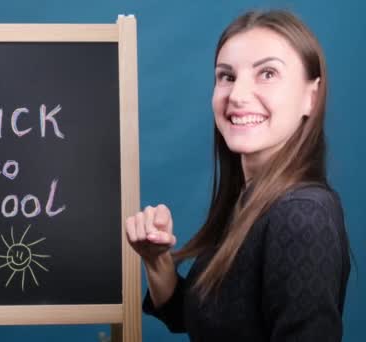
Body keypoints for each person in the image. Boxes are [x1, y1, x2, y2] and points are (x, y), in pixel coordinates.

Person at [125, 10, 351, 341]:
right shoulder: (251, 204)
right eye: (226, 77)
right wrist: (156, 259)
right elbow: (194, 316)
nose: (238, 95)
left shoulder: (302, 214)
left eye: (268, 73)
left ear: (311, 97)